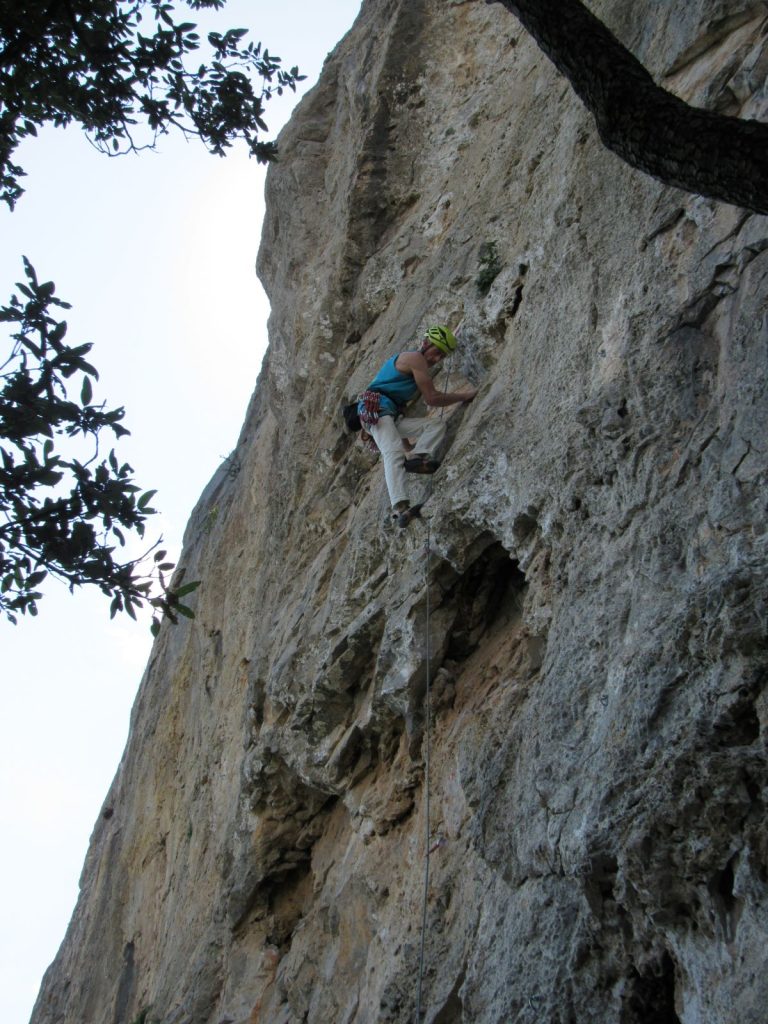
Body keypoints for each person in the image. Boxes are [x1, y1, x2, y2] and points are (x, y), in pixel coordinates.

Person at [358, 325, 477, 527]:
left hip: (389, 415)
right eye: (436, 352)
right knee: (392, 452)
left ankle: (419, 457)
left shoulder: (417, 364)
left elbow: (399, 414)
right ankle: (399, 509)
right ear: (425, 344)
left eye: (442, 356)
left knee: (435, 425)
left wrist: (409, 449)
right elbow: (432, 398)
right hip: (377, 411)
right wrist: (465, 396)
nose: (437, 359)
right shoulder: (415, 358)